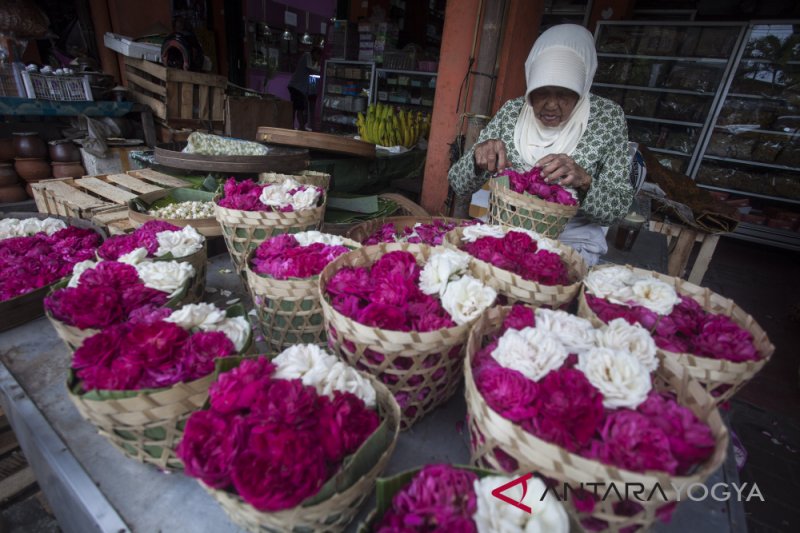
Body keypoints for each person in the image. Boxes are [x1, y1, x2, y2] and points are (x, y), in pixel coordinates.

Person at [448, 24, 633, 266]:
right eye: (541, 92)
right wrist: (476, 160)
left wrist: (584, 181)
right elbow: (457, 184)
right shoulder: (512, 112)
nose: (551, 105)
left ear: (583, 86)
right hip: (502, 238)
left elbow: (618, 209)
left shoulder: (607, 118)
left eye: (564, 93)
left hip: (569, 247)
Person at [288, 47, 322, 131]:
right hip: (296, 87)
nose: (318, 58)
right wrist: (319, 65)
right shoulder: (307, 55)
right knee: (298, 108)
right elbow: (311, 69)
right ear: (315, 53)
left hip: (298, 87)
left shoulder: (310, 59)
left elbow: (312, 70)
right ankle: (299, 127)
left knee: (296, 107)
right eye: (319, 56)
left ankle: (295, 126)